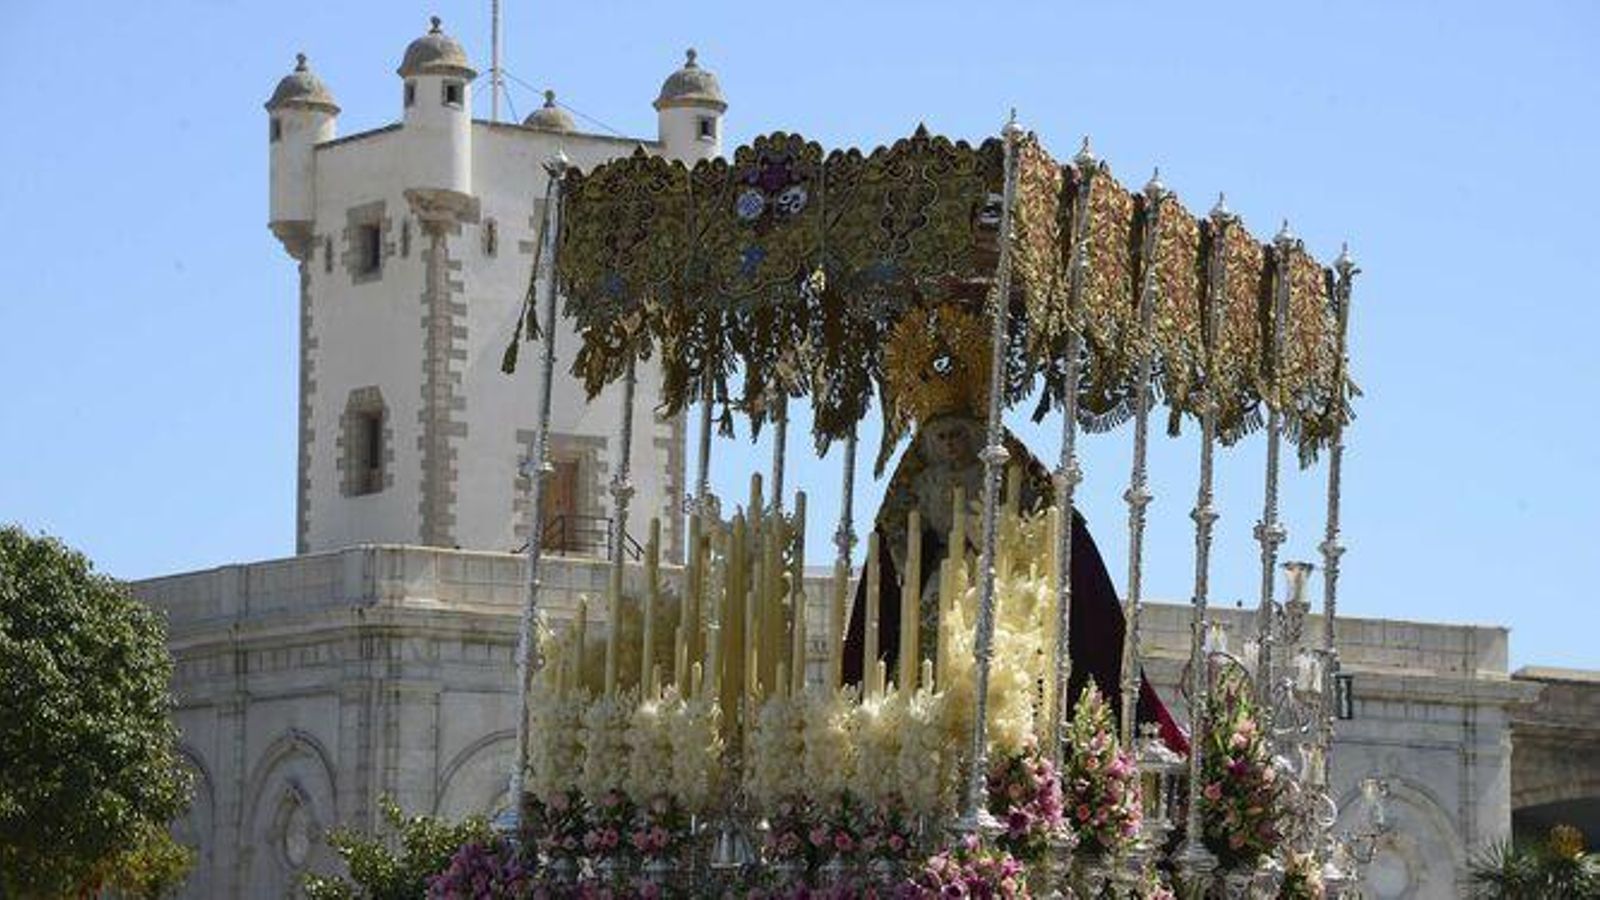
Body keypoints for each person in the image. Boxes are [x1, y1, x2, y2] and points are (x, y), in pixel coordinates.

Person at [842, 411, 1187, 752]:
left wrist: (993, 542)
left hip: (986, 578)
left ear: (974, 437)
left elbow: (1027, 526)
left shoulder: (995, 475)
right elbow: (901, 539)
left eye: (957, 435)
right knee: (927, 652)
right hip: (938, 581)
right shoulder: (924, 483)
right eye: (942, 438)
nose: (950, 446)